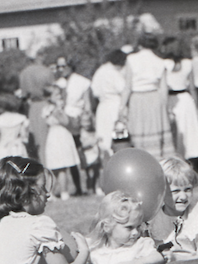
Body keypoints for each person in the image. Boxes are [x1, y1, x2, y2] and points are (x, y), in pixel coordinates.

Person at [0, 156, 93, 264]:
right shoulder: (38, 225)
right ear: (25, 194)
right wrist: (84, 251)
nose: (48, 194)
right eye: (43, 188)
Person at [86, 189, 165, 264]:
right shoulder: (98, 249)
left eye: (138, 227)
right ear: (107, 227)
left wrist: (135, 262)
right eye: (129, 228)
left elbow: (157, 257)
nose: (135, 232)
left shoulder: (139, 246)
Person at [124, 35, 172, 158]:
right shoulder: (160, 61)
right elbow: (163, 89)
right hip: (155, 99)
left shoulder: (131, 59)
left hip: (137, 99)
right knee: (155, 131)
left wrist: (122, 106)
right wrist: (165, 109)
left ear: (140, 45)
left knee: (139, 132)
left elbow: (128, 86)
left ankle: (141, 160)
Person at [166, 41, 198, 166]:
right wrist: (197, 106)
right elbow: (192, 88)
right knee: (188, 131)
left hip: (171, 99)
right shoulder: (187, 63)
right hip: (185, 100)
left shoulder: (164, 63)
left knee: (179, 131)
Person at [60, 55, 96, 193]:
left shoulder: (82, 82)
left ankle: (90, 185)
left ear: (70, 66)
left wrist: (87, 120)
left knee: (84, 153)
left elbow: (87, 103)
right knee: (69, 154)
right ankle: (77, 187)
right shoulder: (59, 83)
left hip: (78, 120)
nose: (61, 70)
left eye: (63, 66)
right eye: (58, 67)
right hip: (63, 122)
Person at [39, 81, 81, 198]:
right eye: (56, 95)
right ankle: (63, 192)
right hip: (60, 136)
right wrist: (63, 111)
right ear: (50, 97)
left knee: (56, 167)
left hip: (54, 136)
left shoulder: (47, 109)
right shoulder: (55, 110)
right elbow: (65, 122)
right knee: (62, 166)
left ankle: (50, 192)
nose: (60, 97)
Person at [157, 155, 198, 259]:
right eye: (176, 191)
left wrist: (177, 258)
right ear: (161, 191)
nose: (183, 197)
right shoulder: (153, 220)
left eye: (187, 189)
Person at [90, 48, 130, 166]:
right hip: (115, 106)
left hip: (102, 108)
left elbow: (95, 92)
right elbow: (123, 89)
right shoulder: (113, 72)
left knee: (104, 141)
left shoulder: (99, 71)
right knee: (119, 139)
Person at [0, 93, 31, 163]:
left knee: (3, 166)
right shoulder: (20, 118)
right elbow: (23, 135)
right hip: (17, 146)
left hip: (3, 146)